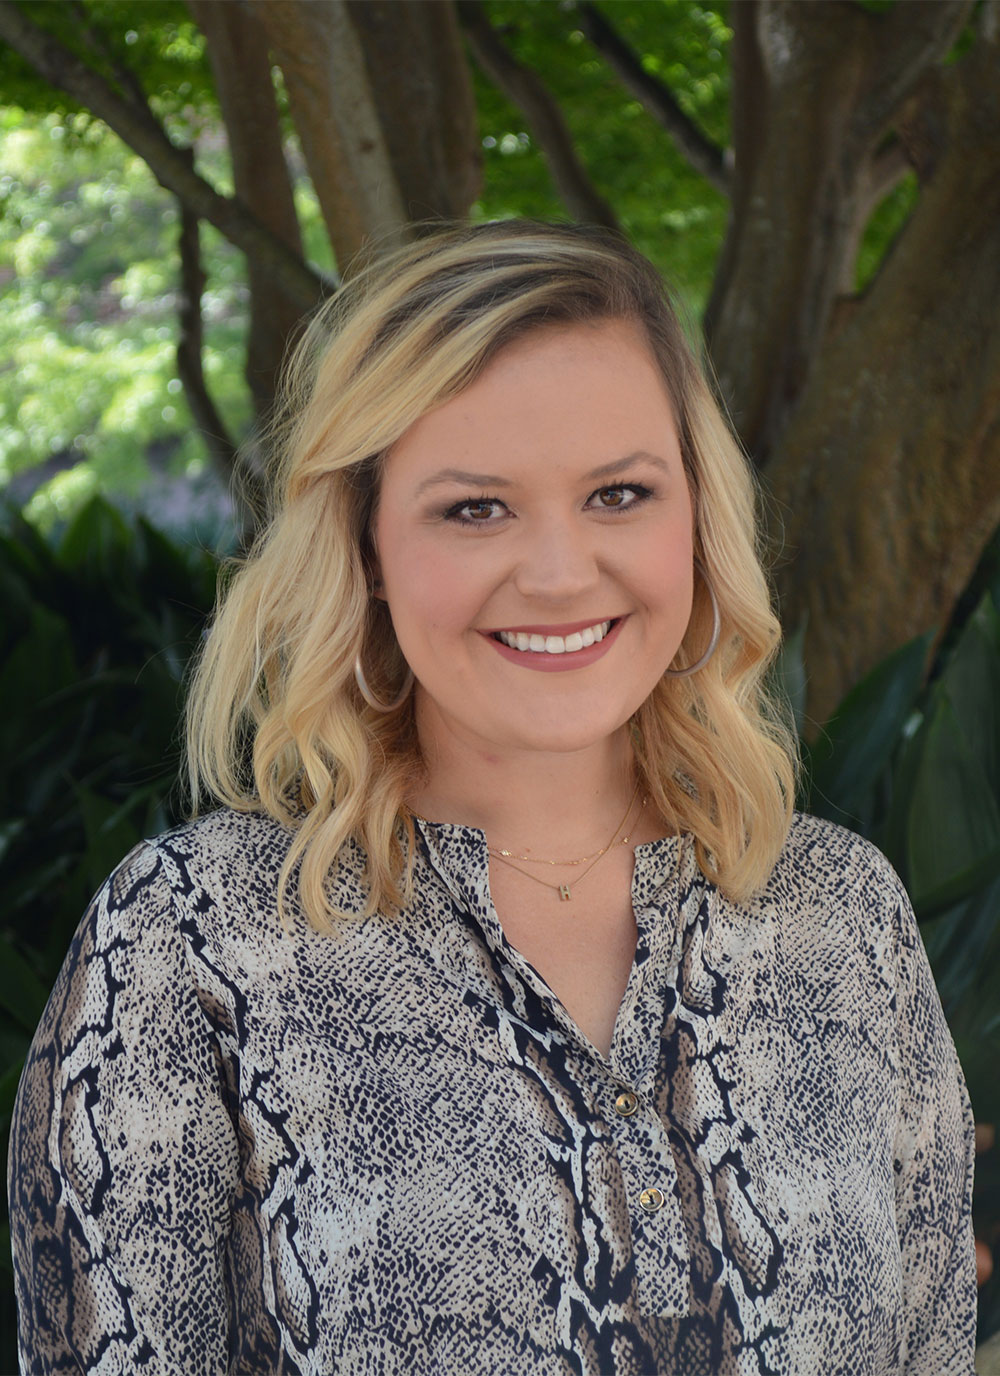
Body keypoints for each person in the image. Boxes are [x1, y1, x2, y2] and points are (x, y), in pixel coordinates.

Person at [8, 221, 976, 1375]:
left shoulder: (841, 909)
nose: (560, 572)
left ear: (696, 519)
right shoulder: (190, 938)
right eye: (475, 507)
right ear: (366, 545)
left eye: (619, 492)